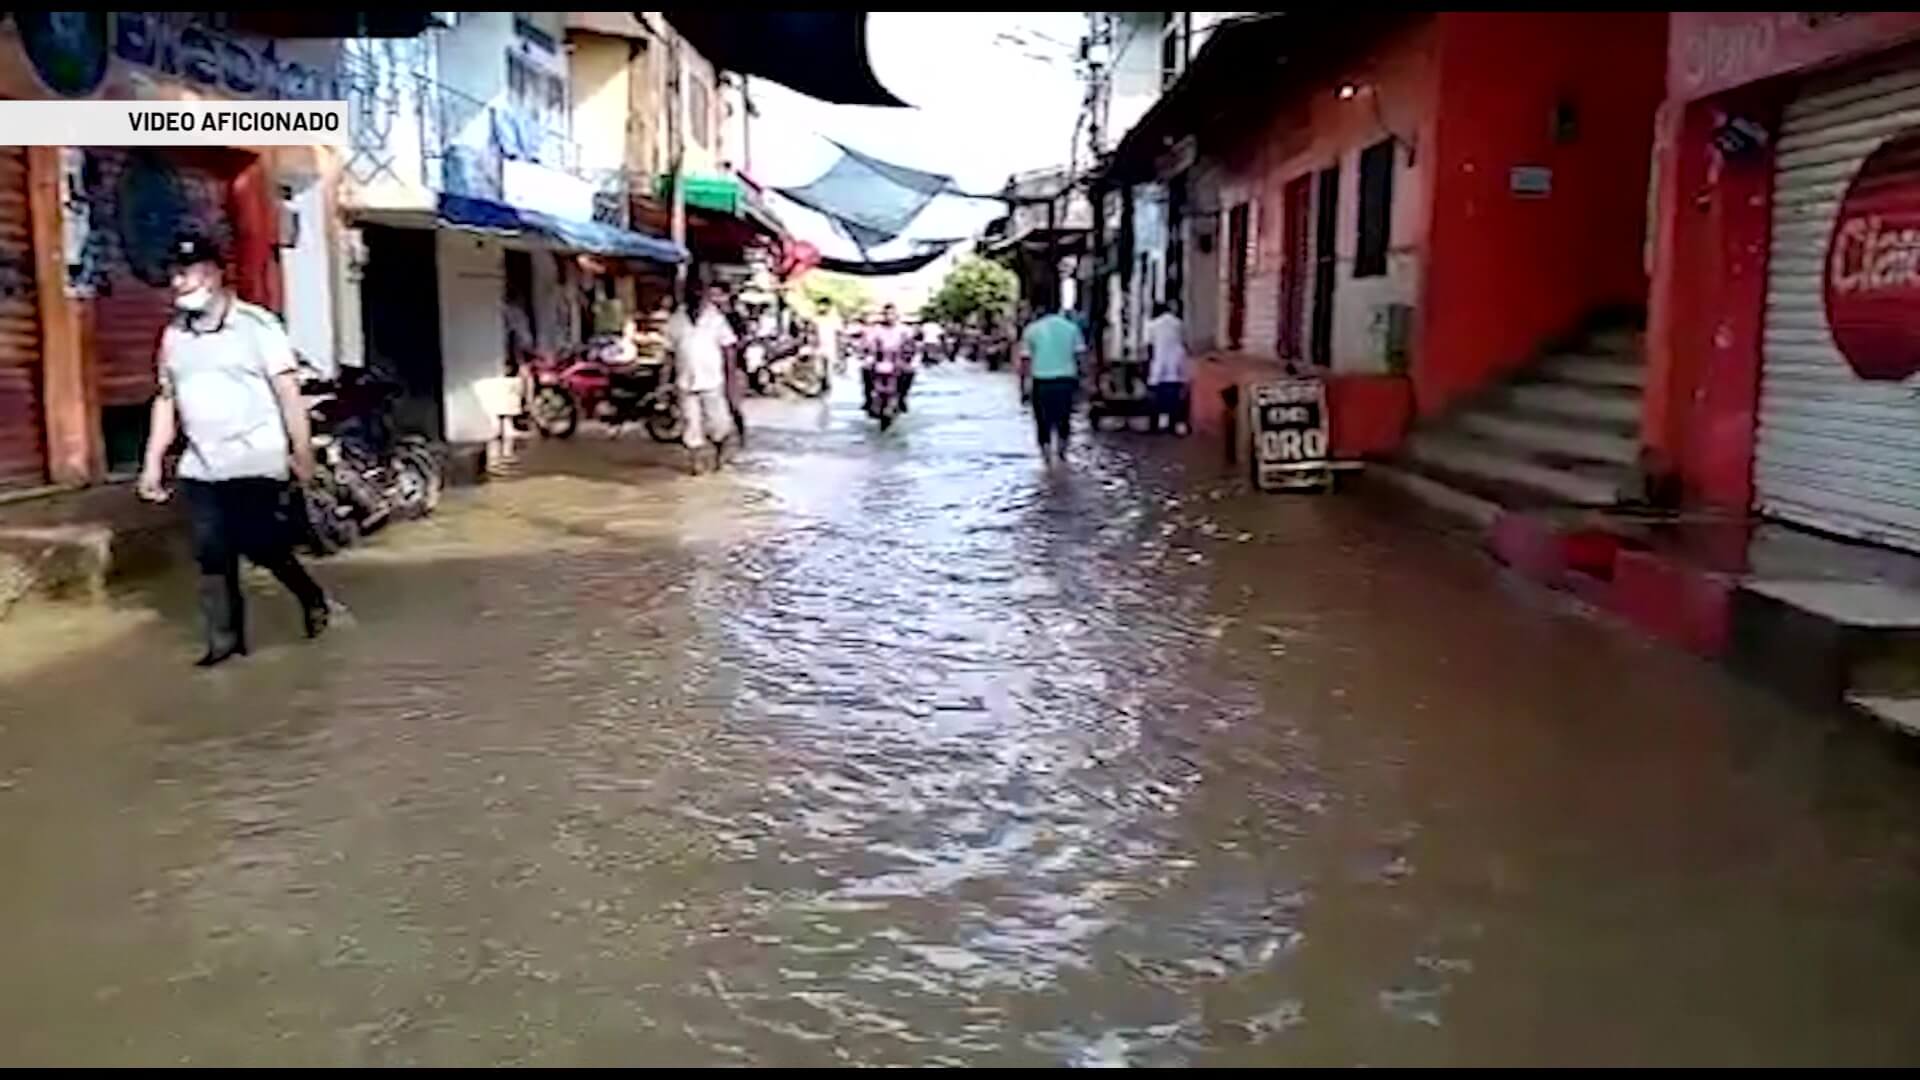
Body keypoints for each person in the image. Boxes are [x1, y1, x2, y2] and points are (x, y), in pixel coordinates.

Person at [136, 231, 331, 667]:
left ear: (213, 273)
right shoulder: (173, 337)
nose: (178, 283)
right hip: (201, 466)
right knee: (211, 553)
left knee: (261, 545)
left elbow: (287, 392)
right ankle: (225, 646)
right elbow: (166, 399)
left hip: (256, 460)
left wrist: (302, 451)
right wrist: (152, 462)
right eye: (174, 275)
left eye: (185, 273)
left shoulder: (258, 327)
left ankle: (310, 595)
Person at [667, 280, 738, 473]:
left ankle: (719, 458)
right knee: (691, 424)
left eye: (700, 294)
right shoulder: (677, 319)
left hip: (712, 381)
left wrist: (731, 379)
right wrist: (664, 381)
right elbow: (670, 352)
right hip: (685, 381)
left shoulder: (716, 319)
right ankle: (696, 463)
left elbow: (729, 349)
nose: (696, 297)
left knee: (719, 423)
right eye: (692, 294)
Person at [1017, 298, 1089, 464]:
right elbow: (1080, 356)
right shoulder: (1071, 328)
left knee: (1042, 421)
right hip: (1066, 380)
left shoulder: (1031, 330)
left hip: (1041, 381)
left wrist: (1022, 387)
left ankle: (1047, 459)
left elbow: (1025, 361)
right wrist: (1085, 380)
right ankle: (1062, 456)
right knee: (1064, 419)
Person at [1145, 300, 1191, 435]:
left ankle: (1154, 426)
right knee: (1174, 398)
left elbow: (1149, 345)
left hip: (1160, 364)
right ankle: (1172, 425)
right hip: (1176, 364)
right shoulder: (1178, 323)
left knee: (1156, 400)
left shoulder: (1153, 325)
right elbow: (1184, 341)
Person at [863, 303, 917, 413]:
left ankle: (902, 397)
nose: (889, 317)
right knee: (865, 370)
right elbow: (868, 343)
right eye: (886, 314)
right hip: (880, 358)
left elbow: (911, 345)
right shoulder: (876, 329)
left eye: (892, 314)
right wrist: (869, 353)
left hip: (897, 359)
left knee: (910, 372)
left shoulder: (904, 330)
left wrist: (909, 356)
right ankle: (868, 398)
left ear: (896, 315)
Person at [811, 298, 844, 376]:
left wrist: (841, 351)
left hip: (832, 348)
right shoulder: (815, 319)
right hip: (819, 347)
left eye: (824, 305)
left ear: (829, 306)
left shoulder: (835, 319)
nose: (822, 307)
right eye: (820, 305)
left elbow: (840, 335)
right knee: (820, 372)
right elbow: (811, 334)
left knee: (831, 371)